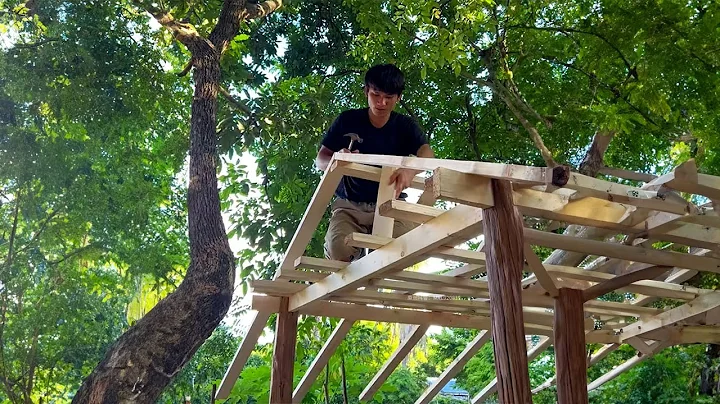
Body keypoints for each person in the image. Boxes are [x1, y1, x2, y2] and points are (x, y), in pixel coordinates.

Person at [315, 64, 436, 262]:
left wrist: (410, 170)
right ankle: (356, 255)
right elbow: (321, 160)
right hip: (349, 205)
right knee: (338, 250)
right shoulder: (347, 120)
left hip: (391, 202)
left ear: (398, 98)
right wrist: (337, 159)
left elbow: (428, 154)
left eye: (389, 97)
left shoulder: (405, 126)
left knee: (404, 248)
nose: (381, 102)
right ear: (366, 92)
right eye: (376, 95)